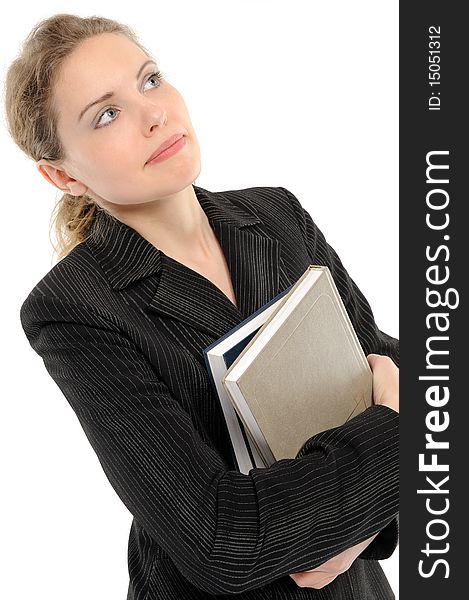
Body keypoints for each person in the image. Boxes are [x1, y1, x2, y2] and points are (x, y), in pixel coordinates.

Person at [5, 13, 399, 599]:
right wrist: (393, 431)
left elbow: (412, 373)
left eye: (150, 80)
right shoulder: (74, 308)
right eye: (107, 114)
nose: (154, 113)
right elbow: (222, 542)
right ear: (62, 175)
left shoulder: (277, 216)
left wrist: (351, 538)